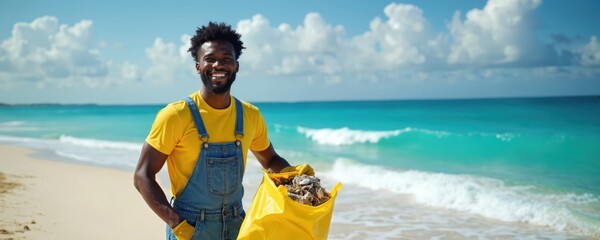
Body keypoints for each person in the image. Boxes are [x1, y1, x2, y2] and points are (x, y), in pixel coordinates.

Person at [134, 22, 303, 240]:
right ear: (197, 66)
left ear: (236, 66)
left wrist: (297, 177)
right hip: (190, 228)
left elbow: (270, 160)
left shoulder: (250, 116)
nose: (218, 65)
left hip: (237, 226)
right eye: (210, 59)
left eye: (226, 59)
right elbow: (142, 176)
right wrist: (176, 223)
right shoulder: (176, 115)